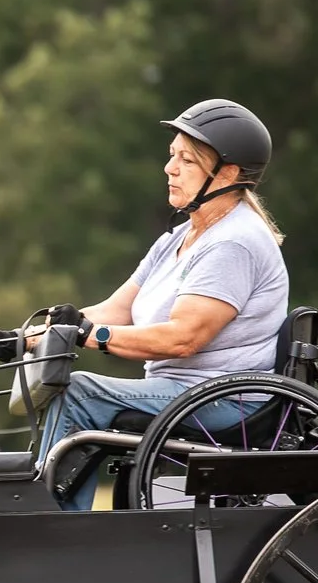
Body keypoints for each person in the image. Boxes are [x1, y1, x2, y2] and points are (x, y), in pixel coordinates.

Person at [24, 99, 290, 510]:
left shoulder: (233, 242)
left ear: (229, 174)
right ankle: (52, 513)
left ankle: (53, 527)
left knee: (78, 393)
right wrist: (26, 336)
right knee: (72, 389)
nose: (170, 168)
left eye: (187, 160)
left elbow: (183, 339)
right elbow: (116, 309)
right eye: (172, 157)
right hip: (181, 391)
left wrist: (92, 337)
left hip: (221, 399)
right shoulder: (178, 238)